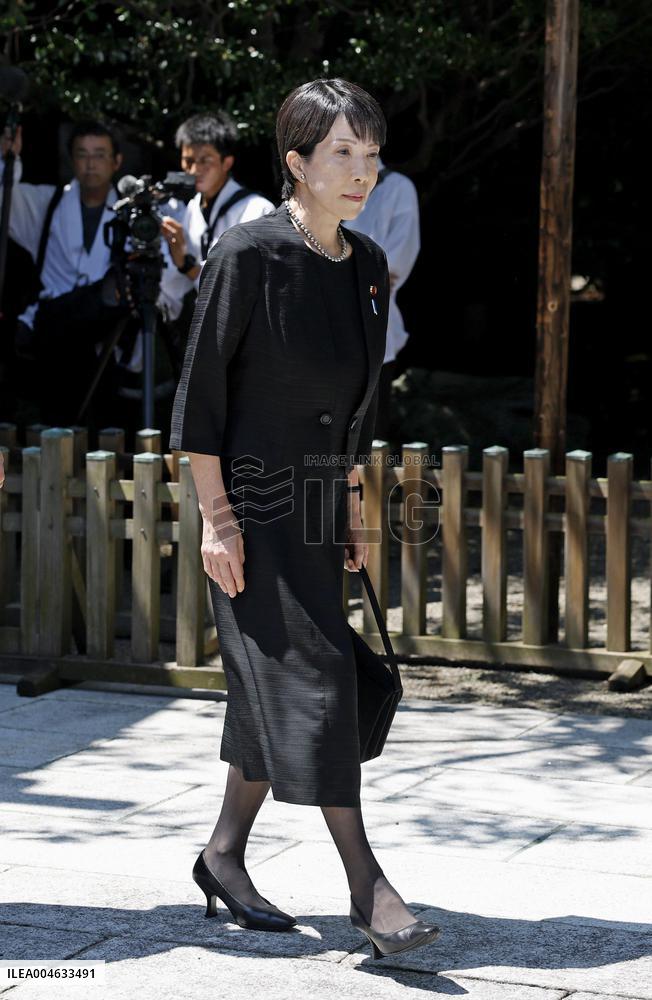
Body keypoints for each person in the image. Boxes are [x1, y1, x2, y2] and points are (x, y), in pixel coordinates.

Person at [169, 77, 440, 959]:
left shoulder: (366, 266)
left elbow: (356, 409)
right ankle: (370, 889)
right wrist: (217, 522)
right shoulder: (246, 257)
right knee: (318, 686)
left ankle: (222, 854)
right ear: (296, 163)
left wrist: (354, 505)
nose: (362, 172)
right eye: (341, 154)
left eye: (372, 154)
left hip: (322, 510)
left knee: (278, 697)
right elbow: (198, 408)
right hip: (249, 511)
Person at [0, 120, 126, 428]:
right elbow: (2, 198)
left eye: (99, 154)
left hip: (106, 344)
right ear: (72, 160)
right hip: (53, 340)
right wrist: (8, 159)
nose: (90, 163)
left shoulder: (130, 212)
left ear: (116, 161)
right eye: (82, 154)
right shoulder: (48, 203)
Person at [159, 111, 275, 325]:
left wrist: (186, 264)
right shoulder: (193, 208)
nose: (195, 170)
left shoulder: (257, 211)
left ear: (227, 162)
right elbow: (178, 285)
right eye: (188, 161)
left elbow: (244, 287)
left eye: (205, 161)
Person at [343, 154, 420, 442]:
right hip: (321, 334)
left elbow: (391, 270)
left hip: (374, 330)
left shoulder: (397, 188)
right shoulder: (321, 186)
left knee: (369, 438)